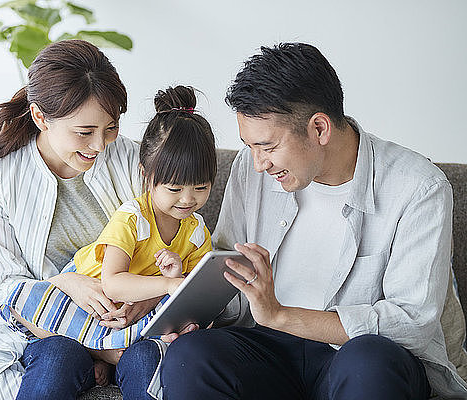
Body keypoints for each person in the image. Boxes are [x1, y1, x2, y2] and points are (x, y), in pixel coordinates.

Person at [160, 43, 467, 399]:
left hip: (355, 357)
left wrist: (280, 315)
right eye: (250, 146)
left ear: (319, 128)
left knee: (370, 360)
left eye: (268, 147)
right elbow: (229, 272)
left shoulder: (418, 186)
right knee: (191, 355)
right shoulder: (250, 170)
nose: (259, 163)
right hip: (268, 348)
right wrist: (194, 309)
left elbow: (411, 323)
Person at [0, 40, 161, 400]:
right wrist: (66, 285)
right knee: (56, 360)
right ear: (41, 117)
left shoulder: (133, 161)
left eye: (111, 127)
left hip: (133, 322)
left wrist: (146, 302)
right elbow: (4, 285)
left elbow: (172, 240)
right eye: (84, 132)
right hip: (45, 329)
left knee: (148, 365)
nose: (100, 145)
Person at [0, 85, 216, 381]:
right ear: (146, 176)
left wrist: (176, 283)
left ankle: (104, 352)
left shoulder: (197, 232)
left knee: (175, 332)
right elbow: (113, 284)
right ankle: (99, 352)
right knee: (23, 299)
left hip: (130, 308)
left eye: (201, 188)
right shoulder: (133, 218)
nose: (188, 200)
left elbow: (189, 292)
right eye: (175, 189)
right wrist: (168, 284)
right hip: (88, 292)